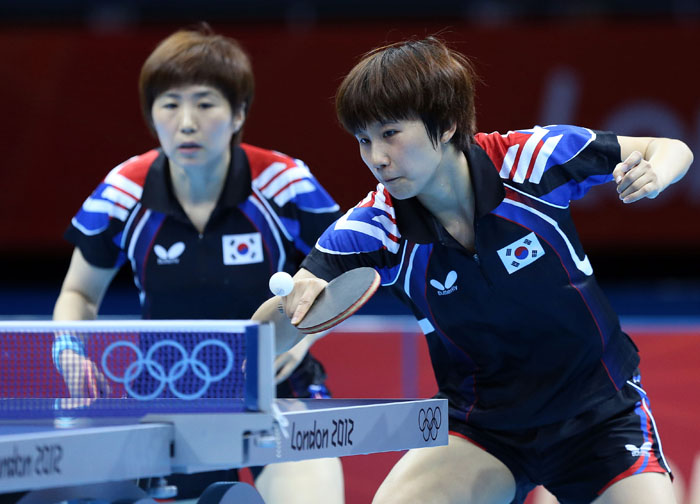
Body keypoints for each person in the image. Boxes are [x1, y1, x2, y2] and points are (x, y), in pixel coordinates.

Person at [254, 37, 693, 504]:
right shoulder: (373, 228)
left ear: (445, 124)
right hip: (483, 432)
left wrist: (657, 175)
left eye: (390, 134)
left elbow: (667, 147)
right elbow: (266, 338)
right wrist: (290, 309)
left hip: (600, 415)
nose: (376, 158)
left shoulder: (530, 162)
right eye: (364, 140)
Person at [52, 26, 344, 504]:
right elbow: (79, 294)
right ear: (151, 115)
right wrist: (68, 349)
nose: (186, 122)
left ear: (238, 114)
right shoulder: (124, 190)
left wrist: (306, 337)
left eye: (205, 103)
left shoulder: (283, 181)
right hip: (169, 397)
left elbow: (342, 272)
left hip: (278, 387)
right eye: (169, 104)